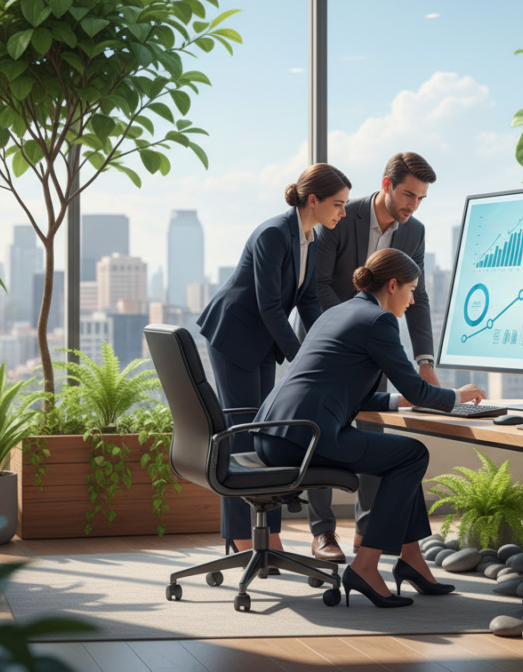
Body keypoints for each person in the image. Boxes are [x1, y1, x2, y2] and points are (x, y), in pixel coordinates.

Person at [252, 248, 486, 608]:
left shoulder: (339, 312)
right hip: (306, 440)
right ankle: (366, 566)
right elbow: (417, 388)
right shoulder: (379, 320)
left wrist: (399, 401)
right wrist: (457, 395)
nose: (412, 300)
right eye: (410, 290)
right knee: (411, 456)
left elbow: (347, 394)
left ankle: (412, 561)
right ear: (392, 285)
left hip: (275, 433)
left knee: (402, 456)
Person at [197, 163, 352, 552]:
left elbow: (309, 299)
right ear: (312, 200)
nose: (343, 213)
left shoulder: (310, 237)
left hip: (263, 341)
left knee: (266, 432)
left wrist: (325, 346)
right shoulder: (272, 234)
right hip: (235, 337)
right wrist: (300, 360)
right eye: (338, 204)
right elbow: (269, 306)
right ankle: (239, 537)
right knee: (241, 435)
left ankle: (271, 535)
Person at [307, 151, 441, 563]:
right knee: (319, 430)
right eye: (407, 194)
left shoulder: (413, 230)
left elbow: (417, 298)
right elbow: (318, 283)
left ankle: (367, 535)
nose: (412, 205)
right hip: (331, 339)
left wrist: (424, 359)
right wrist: (352, 326)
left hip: (377, 345)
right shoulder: (341, 215)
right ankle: (322, 532)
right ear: (386, 185)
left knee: (373, 433)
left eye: (420, 198)